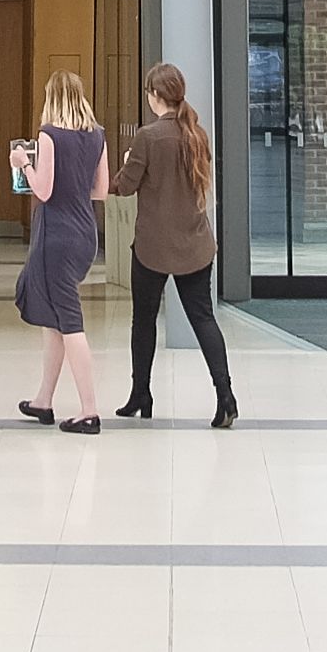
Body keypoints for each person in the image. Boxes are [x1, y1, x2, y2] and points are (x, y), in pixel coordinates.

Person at [114, 61, 237, 428]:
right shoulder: (197, 134)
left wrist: (122, 166)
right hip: (196, 244)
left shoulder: (147, 137)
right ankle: (225, 395)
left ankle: (141, 394)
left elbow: (125, 185)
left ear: (155, 96)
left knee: (144, 320)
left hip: (152, 247)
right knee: (204, 318)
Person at [9, 68, 110, 431]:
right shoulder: (97, 136)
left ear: (51, 98)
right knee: (55, 319)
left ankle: (89, 410)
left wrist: (24, 164)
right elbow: (100, 190)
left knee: (69, 322)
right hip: (85, 235)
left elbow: (43, 191)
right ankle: (43, 401)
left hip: (56, 237)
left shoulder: (48, 135)